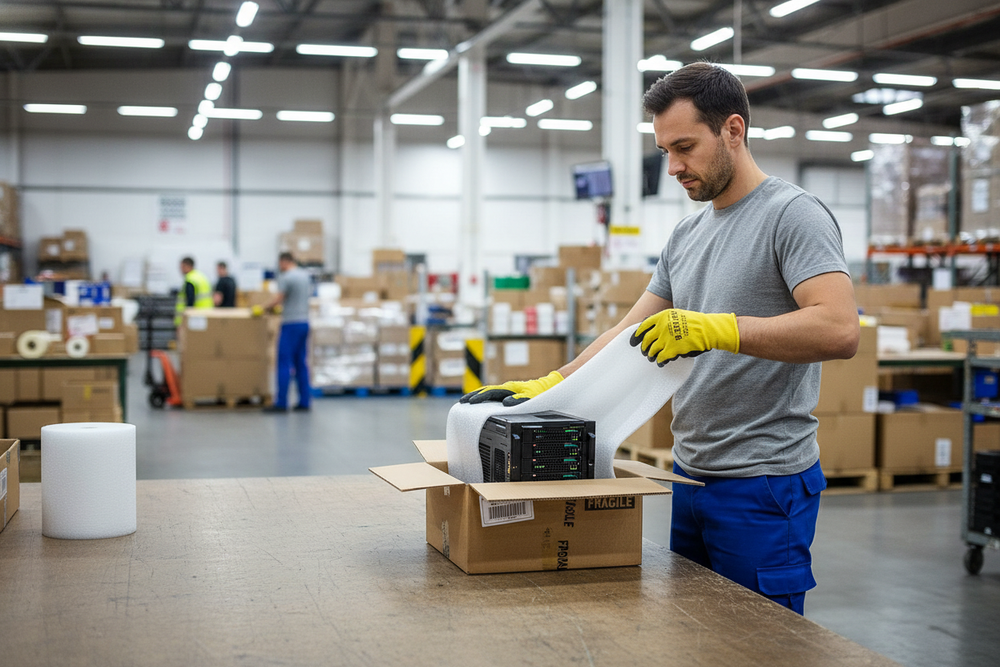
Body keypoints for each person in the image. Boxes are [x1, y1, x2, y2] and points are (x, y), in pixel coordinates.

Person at [462, 62, 860, 615]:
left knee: (764, 648)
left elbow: (839, 328)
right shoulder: (689, 232)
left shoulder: (792, 216)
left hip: (762, 484)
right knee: (695, 637)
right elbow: (625, 331)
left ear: (733, 130)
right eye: (665, 151)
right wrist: (551, 385)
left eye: (685, 147)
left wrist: (717, 328)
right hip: (690, 475)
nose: (673, 166)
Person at [261, 252, 312, 413]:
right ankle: (305, 401)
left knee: (283, 362)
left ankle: (281, 403)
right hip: (304, 322)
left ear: (284, 262)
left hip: (290, 324)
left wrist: (264, 308)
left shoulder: (287, 277)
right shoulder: (305, 276)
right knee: (301, 363)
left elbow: (279, 298)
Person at [175, 256, 214, 326]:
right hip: (207, 315)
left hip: (195, 319)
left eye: (182, 267)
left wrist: (184, 321)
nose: (180, 270)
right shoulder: (201, 276)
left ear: (187, 266)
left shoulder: (190, 280)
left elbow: (190, 302)